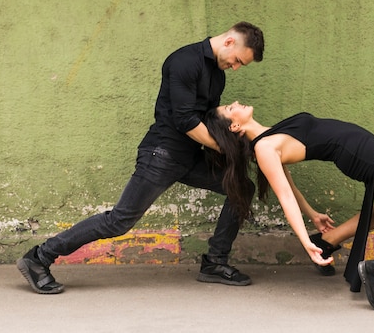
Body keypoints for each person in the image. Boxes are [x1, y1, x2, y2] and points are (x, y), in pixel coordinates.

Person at [17, 23, 265, 294]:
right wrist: (225, 149)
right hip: (162, 154)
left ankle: (215, 262)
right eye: (238, 60)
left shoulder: (217, 76)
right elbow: (185, 121)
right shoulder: (184, 61)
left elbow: (208, 121)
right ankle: (39, 257)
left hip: (189, 159)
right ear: (229, 42)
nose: (236, 67)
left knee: (242, 187)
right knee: (119, 221)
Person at [204, 102, 374, 310]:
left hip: (364, 147)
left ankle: (328, 240)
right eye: (229, 108)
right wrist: (304, 241)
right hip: (360, 153)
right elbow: (284, 196)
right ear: (234, 126)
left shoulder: (266, 137)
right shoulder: (264, 148)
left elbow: (291, 186)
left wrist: (312, 214)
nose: (235, 103)